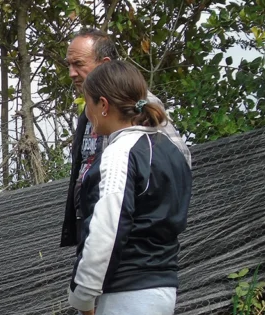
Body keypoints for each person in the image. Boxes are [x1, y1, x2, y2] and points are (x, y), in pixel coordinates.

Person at [68, 60, 192, 315]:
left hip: (121, 297)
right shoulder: (172, 149)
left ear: (103, 105)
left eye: (88, 104)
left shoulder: (122, 151)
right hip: (161, 292)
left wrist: (83, 293)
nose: (86, 113)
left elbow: (108, 227)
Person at [60, 28, 191, 249]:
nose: (72, 73)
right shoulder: (89, 110)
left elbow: (179, 159)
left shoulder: (138, 104)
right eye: (69, 65)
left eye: (79, 64)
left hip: (127, 233)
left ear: (104, 63)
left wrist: (145, 219)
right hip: (95, 222)